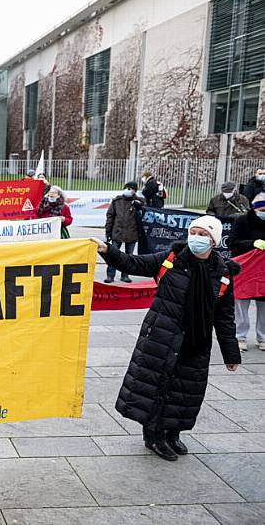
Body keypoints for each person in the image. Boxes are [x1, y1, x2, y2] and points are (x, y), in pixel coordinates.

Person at [92, 215, 240, 461]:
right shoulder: (170, 259)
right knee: (157, 387)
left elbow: (224, 317)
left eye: (203, 234)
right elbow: (133, 263)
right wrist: (108, 250)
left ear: (213, 241)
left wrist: (231, 353)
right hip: (161, 338)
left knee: (185, 390)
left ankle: (173, 433)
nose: (196, 238)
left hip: (196, 342)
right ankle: (153, 436)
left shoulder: (223, 273)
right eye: (194, 232)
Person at [227, 193, 265, 352]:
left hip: (263, 271)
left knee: (264, 307)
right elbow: (231, 243)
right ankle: (240, 337)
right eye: (262, 209)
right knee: (241, 305)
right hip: (245, 270)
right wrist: (252, 244)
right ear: (255, 209)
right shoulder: (242, 221)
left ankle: (262, 338)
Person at [104, 182, 145, 283]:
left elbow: (145, 211)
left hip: (132, 233)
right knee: (113, 255)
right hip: (117, 232)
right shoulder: (117, 201)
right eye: (127, 188)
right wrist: (108, 231)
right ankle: (110, 275)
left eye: (131, 189)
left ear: (135, 191)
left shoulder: (138, 202)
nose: (128, 190)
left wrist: (139, 203)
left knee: (129, 256)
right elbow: (110, 216)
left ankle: (125, 275)